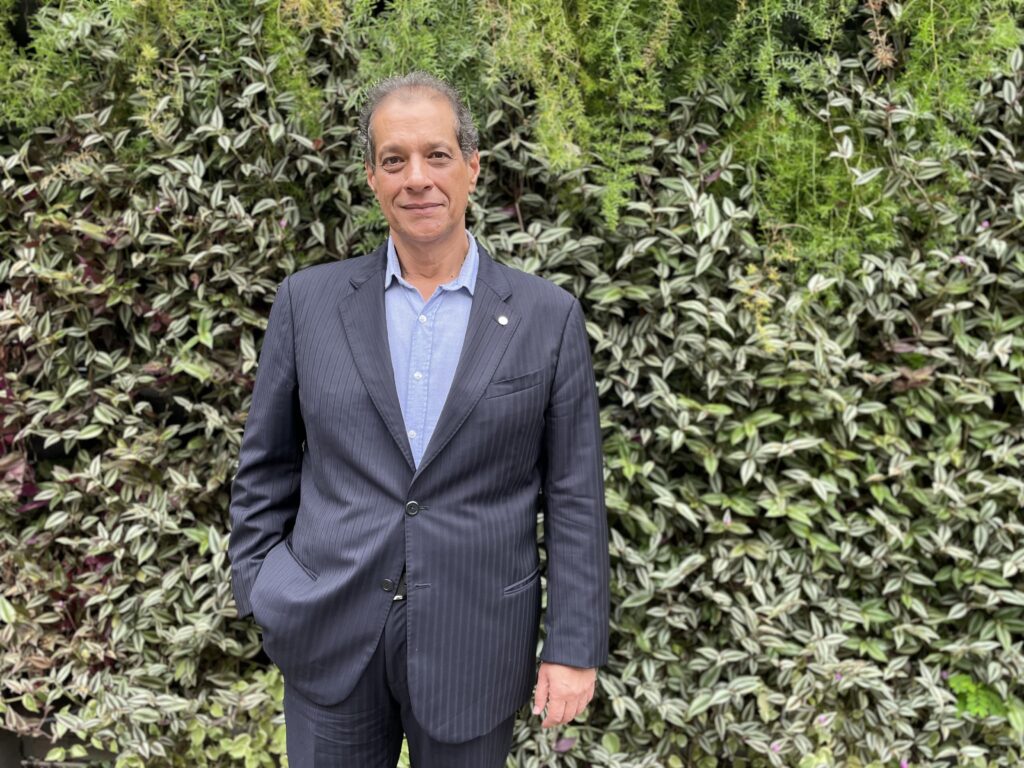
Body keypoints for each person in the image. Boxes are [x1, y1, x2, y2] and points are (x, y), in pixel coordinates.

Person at [227, 71, 609, 768]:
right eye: (394, 159)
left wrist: (574, 646)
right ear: (371, 177)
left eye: (436, 155)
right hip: (328, 634)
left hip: (476, 641)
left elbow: (575, 495)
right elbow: (265, 466)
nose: (417, 179)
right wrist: (263, 588)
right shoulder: (307, 304)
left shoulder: (546, 318)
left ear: (472, 167)